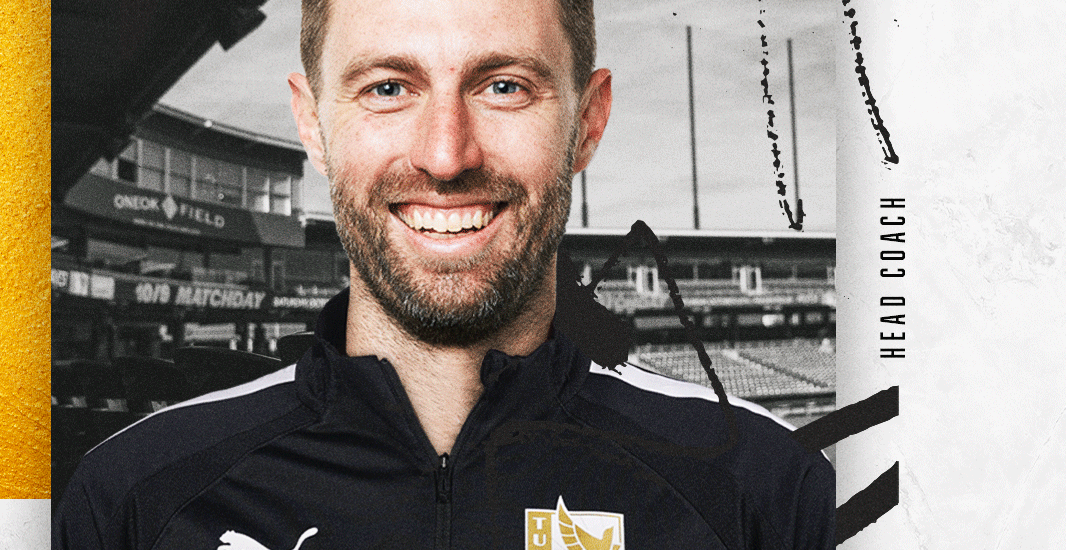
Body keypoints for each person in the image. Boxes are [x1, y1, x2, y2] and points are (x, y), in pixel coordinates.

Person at [54, 0, 835, 548]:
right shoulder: (132, 496)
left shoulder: (764, 489)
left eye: (505, 86)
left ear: (587, 121)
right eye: (388, 88)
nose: (446, 154)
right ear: (313, 124)